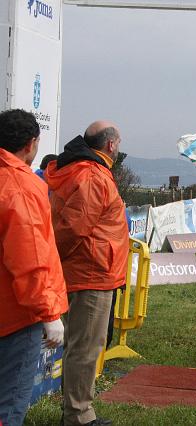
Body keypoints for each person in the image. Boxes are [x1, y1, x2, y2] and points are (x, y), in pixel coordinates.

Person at [45, 121, 129, 426]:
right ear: (110, 145)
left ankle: (76, 410)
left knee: (81, 345)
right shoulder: (93, 175)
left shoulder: (86, 170)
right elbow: (70, 229)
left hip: (90, 269)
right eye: (119, 143)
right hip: (92, 273)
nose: (119, 148)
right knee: (85, 348)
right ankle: (79, 415)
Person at [0, 109, 67, 426]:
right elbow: (28, 258)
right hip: (14, 316)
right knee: (9, 405)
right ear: (31, 144)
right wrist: (49, 313)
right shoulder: (20, 187)